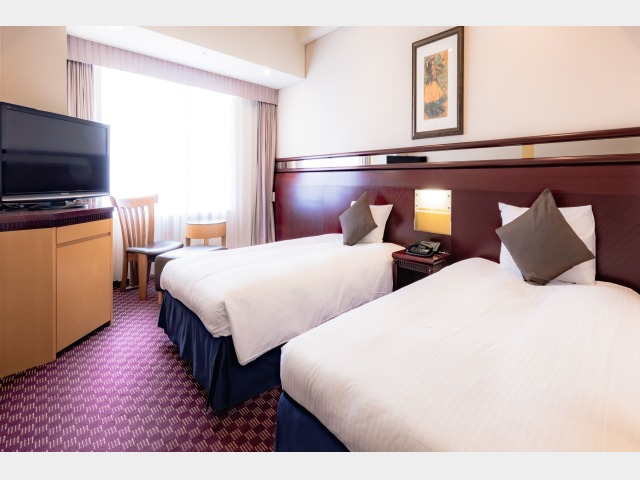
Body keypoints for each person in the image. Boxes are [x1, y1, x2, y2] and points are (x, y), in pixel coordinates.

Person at [423, 53, 447, 119]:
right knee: (431, 95)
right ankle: (432, 108)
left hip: (434, 82)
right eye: (432, 64)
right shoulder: (429, 69)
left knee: (436, 95)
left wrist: (436, 74)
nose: (433, 65)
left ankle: (435, 108)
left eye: (433, 64)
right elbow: (427, 65)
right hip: (430, 83)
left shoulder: (434, 68)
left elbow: (439, 70)